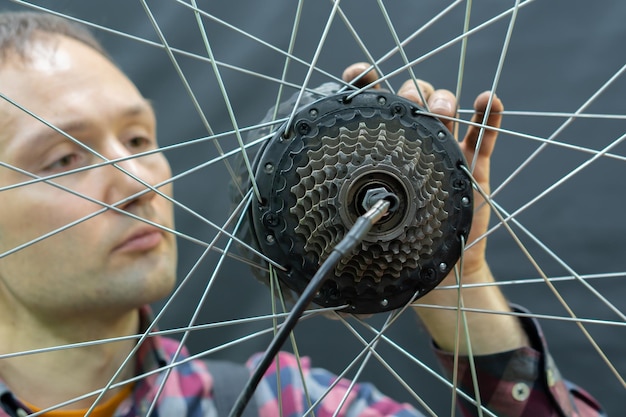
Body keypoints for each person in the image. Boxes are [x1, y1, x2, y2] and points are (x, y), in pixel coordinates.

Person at [0, 11, 605, 417]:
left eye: (137, 140)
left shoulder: (286, 403)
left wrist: (453, 279)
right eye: (62, 157)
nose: (136, 181)